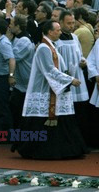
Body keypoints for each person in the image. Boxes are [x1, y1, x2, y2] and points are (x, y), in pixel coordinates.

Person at [12, 20, 89, 159]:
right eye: (58, 30)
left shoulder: (51, 46)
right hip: (43, 91)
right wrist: (70, 80)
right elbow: (49, 70)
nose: (60, 32)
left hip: (52, 90)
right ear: (49, 31)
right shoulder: (43, 48)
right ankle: (34, 150)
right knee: (40, 120)